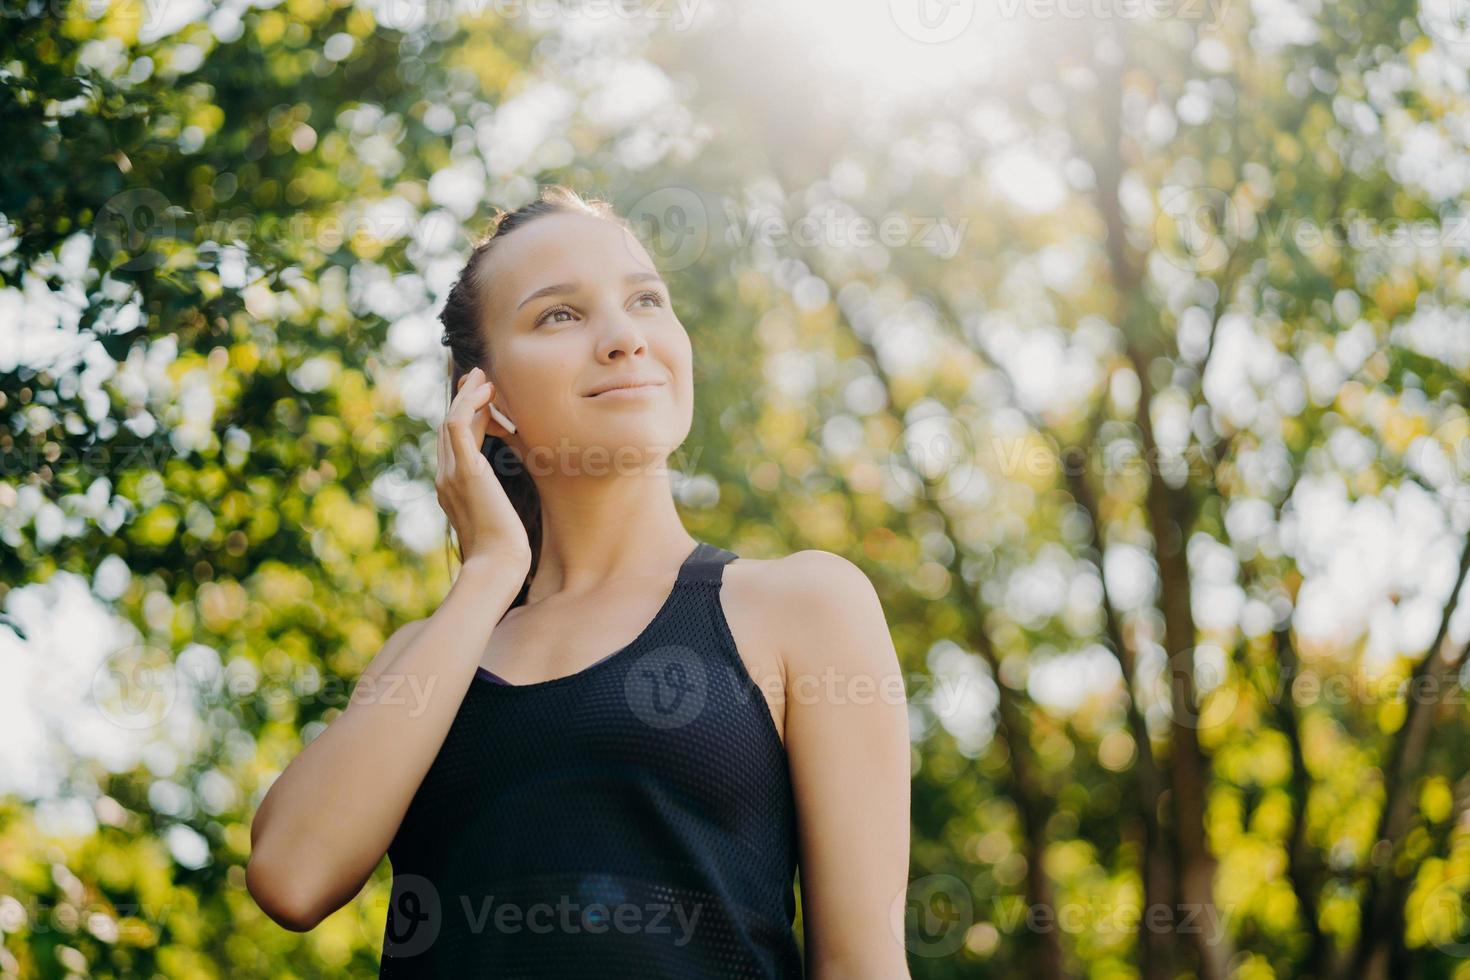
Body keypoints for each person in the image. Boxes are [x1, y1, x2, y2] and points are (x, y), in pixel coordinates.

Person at [245, 185, 912, 977]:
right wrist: (490, 571)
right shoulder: (427, 654)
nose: (624, 337)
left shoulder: (805, 606)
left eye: (646, 300)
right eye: (559, 314)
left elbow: (862, 966)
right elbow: (292, 876)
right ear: (481, 394)